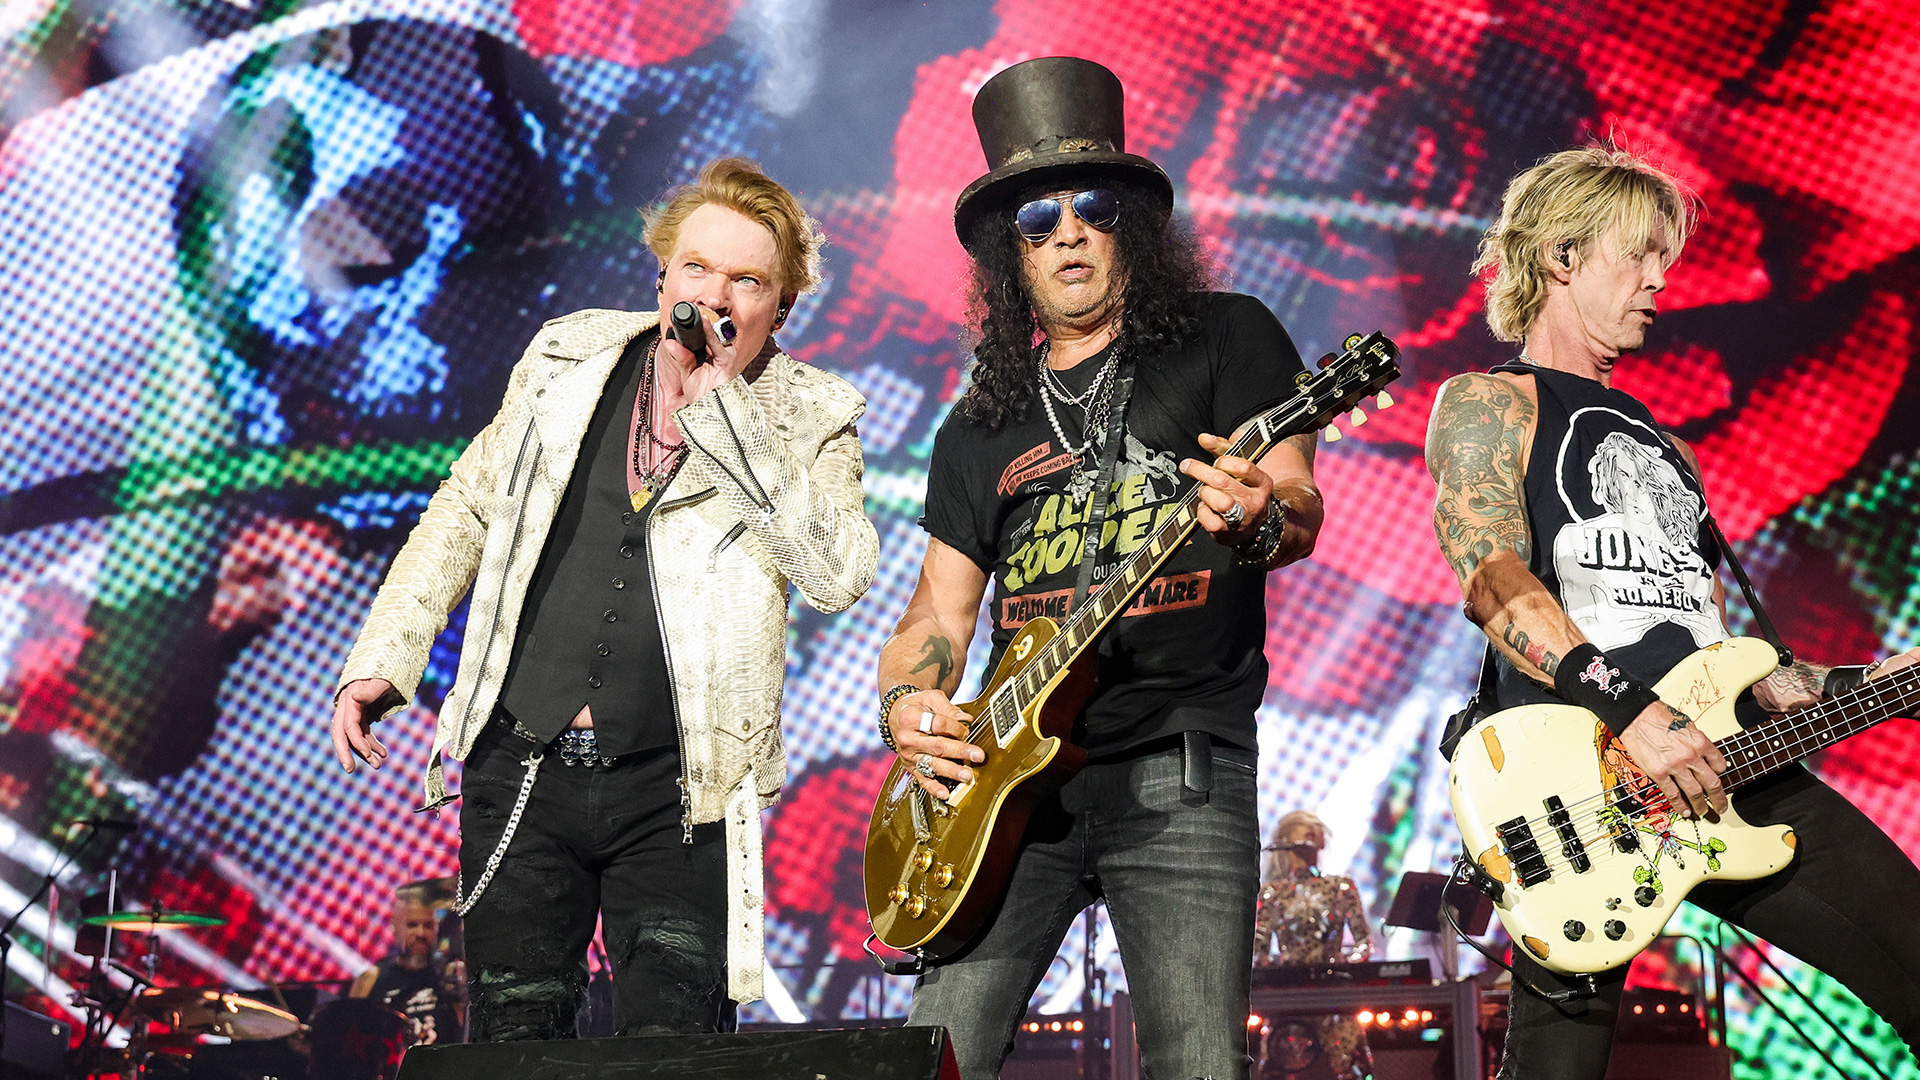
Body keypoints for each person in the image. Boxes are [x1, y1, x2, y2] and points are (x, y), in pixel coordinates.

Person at [329, 156, 879, 1041]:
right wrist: (386, 654)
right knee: (515, 1039)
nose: (715, 294)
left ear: (782, 307)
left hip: (684, 791)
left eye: (747, 280)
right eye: (696, 267)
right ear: (662, 276)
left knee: (673, 1047)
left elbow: (839, 573)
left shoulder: (814, 415)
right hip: (521, 764)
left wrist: (729, 419)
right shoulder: (568, 357)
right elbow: (466, 506)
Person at [1426, 145, 1920, 1079]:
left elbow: (1729, 660)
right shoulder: (1491, 404)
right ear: (1563, 256)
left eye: (1666, 258)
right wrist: (1636, 716)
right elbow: (1490, 579)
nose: (1661, 279)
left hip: (1727, 765)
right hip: (1577, 787)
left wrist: (1871, 684)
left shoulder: (1672, 452)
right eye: (1640, 254)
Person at [877, 57, 1324, 1080]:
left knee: (1198, 1063)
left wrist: (1259, 517)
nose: (1068, 232)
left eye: (1093, 208)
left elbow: (1297, 503)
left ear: (1133, 228)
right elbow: (937, 615)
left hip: (1178, 761)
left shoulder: (1226, 337)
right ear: (1012, 253)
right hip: (1006, 789)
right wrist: (907, 702)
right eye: (1039, 219)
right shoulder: (977, 425)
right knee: (933, 1058)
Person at [1252, 811, 1372, 1079]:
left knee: (1350, 1068)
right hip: (1289, 999)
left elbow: (1364, 943)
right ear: (1285, 839)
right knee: (1286, 1068)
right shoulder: (1273, 893)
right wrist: (1277, 973)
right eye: (1303, 827)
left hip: (1335, 996)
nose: (1311, 832)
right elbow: (1259, 952)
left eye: (1315, 829)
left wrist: (1341, 966)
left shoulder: (1341, 887)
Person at [349, 880, 465, 1045]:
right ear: (394, 927)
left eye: (428, 925)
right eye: (412, 925)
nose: (420, 933)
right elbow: (350, 1037)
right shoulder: (372, 977)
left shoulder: (449, 975)